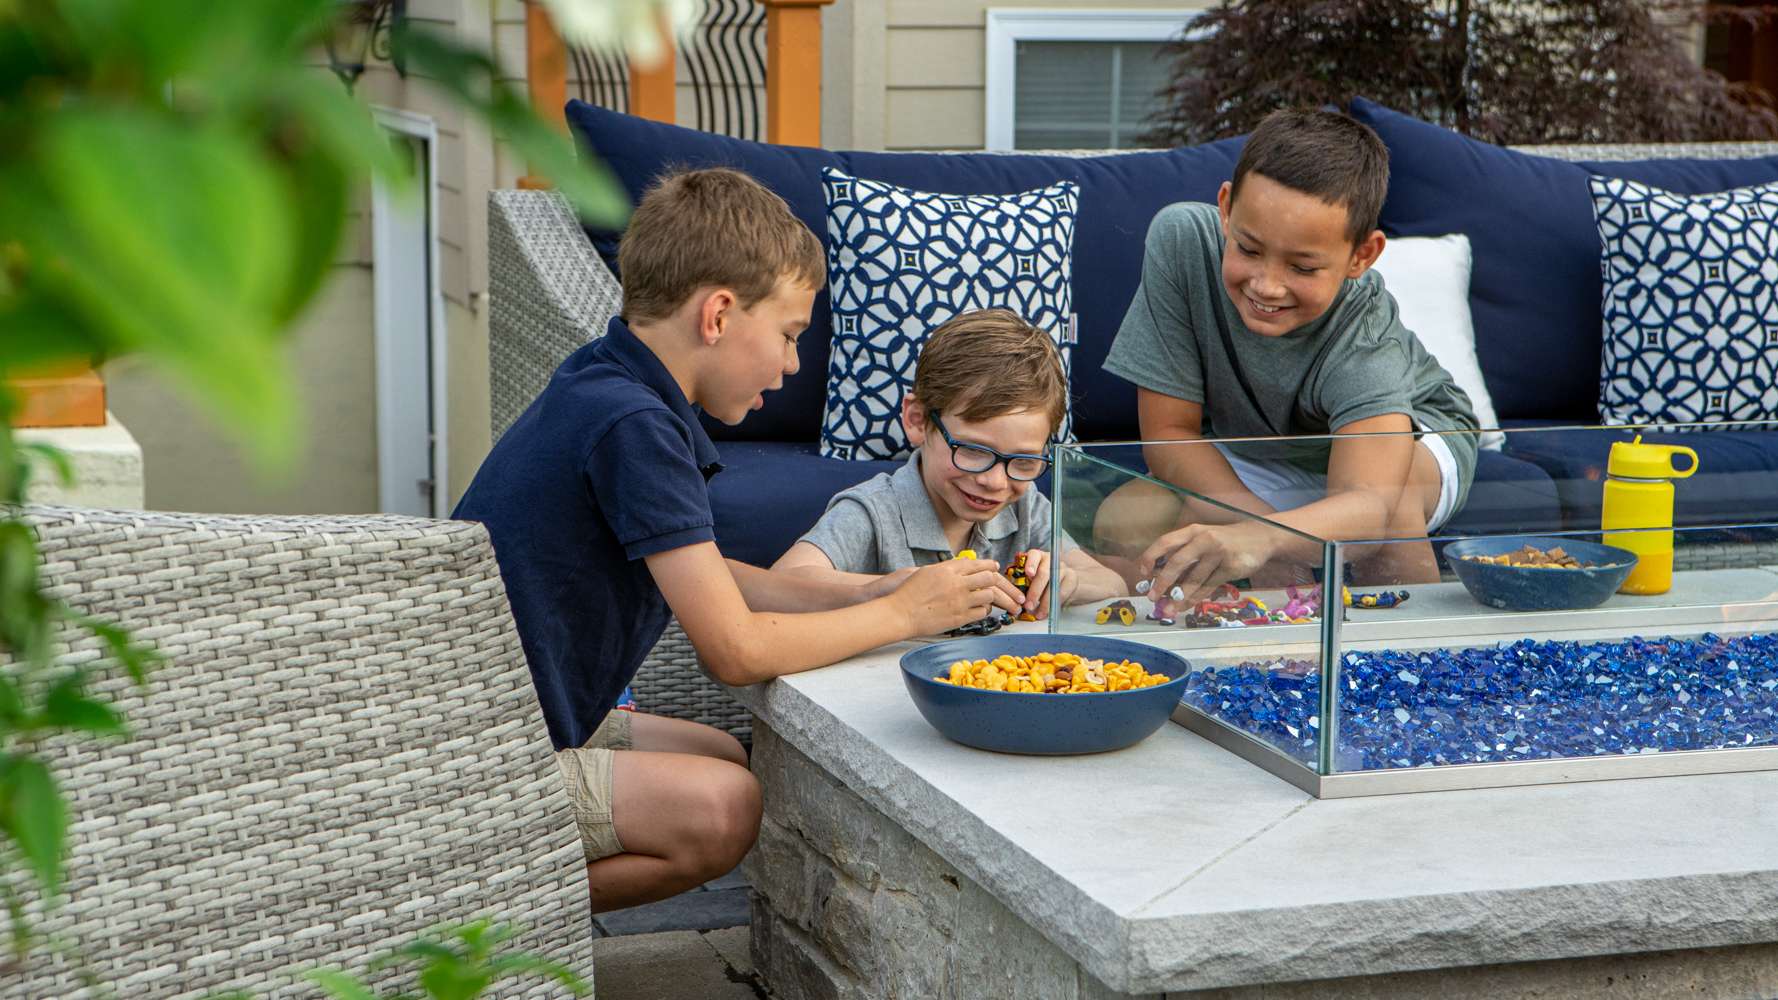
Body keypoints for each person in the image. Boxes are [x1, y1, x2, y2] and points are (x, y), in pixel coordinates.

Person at [454, 168, 1013, 913]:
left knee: (722, 752)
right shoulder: (637, 428)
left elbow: (715, 575)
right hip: (481, 757)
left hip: (514, 714)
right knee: (724, 808)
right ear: (717, 314)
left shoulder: (608, 382)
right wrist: (903, 618)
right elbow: (735, 650)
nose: (790, 365)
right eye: (788, 335)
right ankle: (463, 915)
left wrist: (881, 588)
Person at [1095, 107, 1479, 601]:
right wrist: (1262, 536)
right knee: (1124, 522)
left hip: (1412, 441)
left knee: (1393, 507)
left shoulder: (1364, 334)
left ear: (1361, 256)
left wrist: (1264, 541)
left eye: (1302, 266)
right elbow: (1171, 436)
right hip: (1266, 444)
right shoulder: (1182, 242)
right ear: (1227, 208)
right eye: (1249, 250)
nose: (1266, 286)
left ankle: (1415, 658)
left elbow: (1368, 504)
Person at [773, 309, 1125, 616]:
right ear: (917, 420)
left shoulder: (1026, 508)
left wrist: (1069, 581)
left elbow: (1112, 583)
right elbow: (781, 584)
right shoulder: (874, 512)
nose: (996, 482)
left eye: (1023, 460)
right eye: (973, 451)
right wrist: (900, 591)